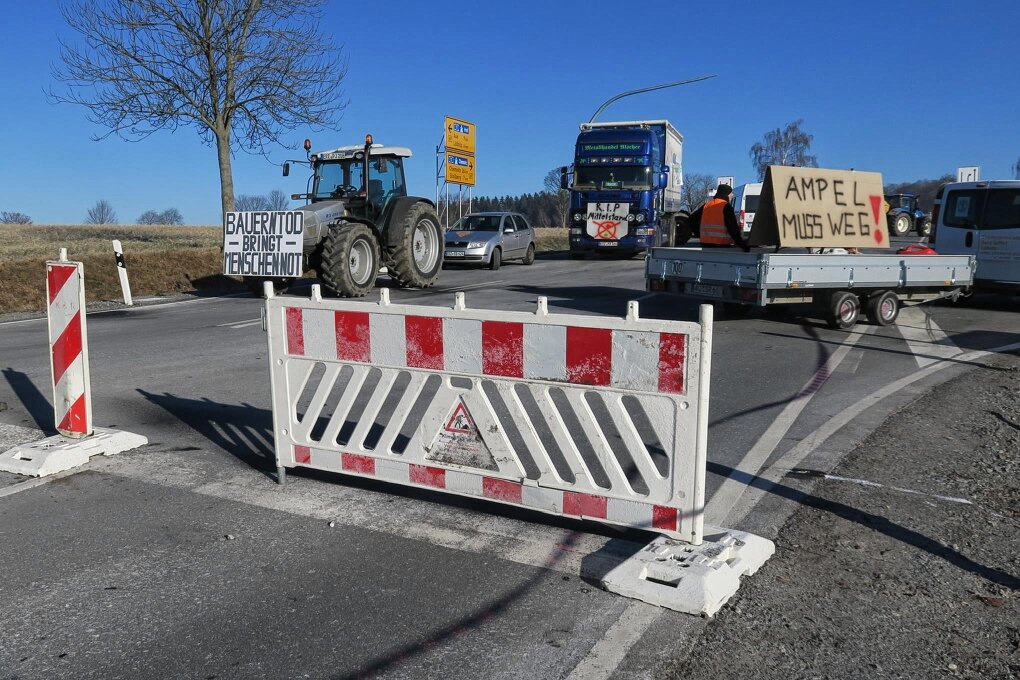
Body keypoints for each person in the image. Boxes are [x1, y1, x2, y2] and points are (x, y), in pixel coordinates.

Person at [689, 184, 750, 251]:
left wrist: (699, 234)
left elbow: (691, 220)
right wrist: (741, 244)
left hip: (705, 244)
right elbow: (732, 228)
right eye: (731, 193)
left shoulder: (706, 205)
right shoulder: (726, 206)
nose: (732, 195)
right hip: (721, 244)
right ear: (726, 194)